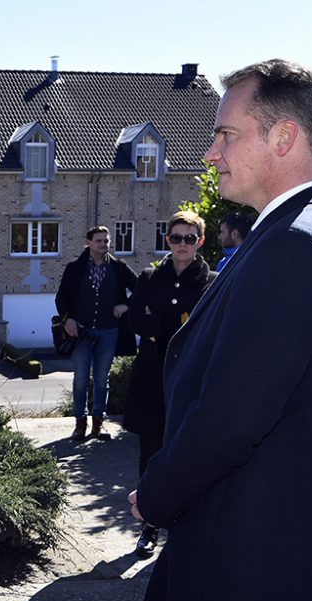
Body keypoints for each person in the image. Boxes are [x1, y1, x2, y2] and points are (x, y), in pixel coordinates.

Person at [129, 59, 312, 601]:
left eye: (226, 134)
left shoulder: (298, 245)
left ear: (284, 137)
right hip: (270, 559)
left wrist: (153, 495)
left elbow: (232, 417)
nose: (210, 153)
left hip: (256, 566)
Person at [122, 211, 215, 558]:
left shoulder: (211, 282)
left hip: (191, 379)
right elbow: (134, 319)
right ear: (168, 241)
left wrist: (157, 323)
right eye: (176, 238)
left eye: (189, 238)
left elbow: (205, 329)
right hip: (152, 379)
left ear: (200, 242)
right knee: (151, 454)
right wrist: (174, 325)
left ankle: (187, 525)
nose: (182, 244)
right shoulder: (149, 277)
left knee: (188, 452)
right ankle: (149, 525)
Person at [55, 226, 137, 441]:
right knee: (81, 379)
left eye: (106, 241)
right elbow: (61, 298)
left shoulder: (119, 268)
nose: (103, 244)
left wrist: (126, 306)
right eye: (99, 240)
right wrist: (68, 319)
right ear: (89, 242)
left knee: (102, 379)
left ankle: (98, 424)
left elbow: (141, 288)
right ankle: (79, 424)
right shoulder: (75, 268)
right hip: (80, 332)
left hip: (109, 331)